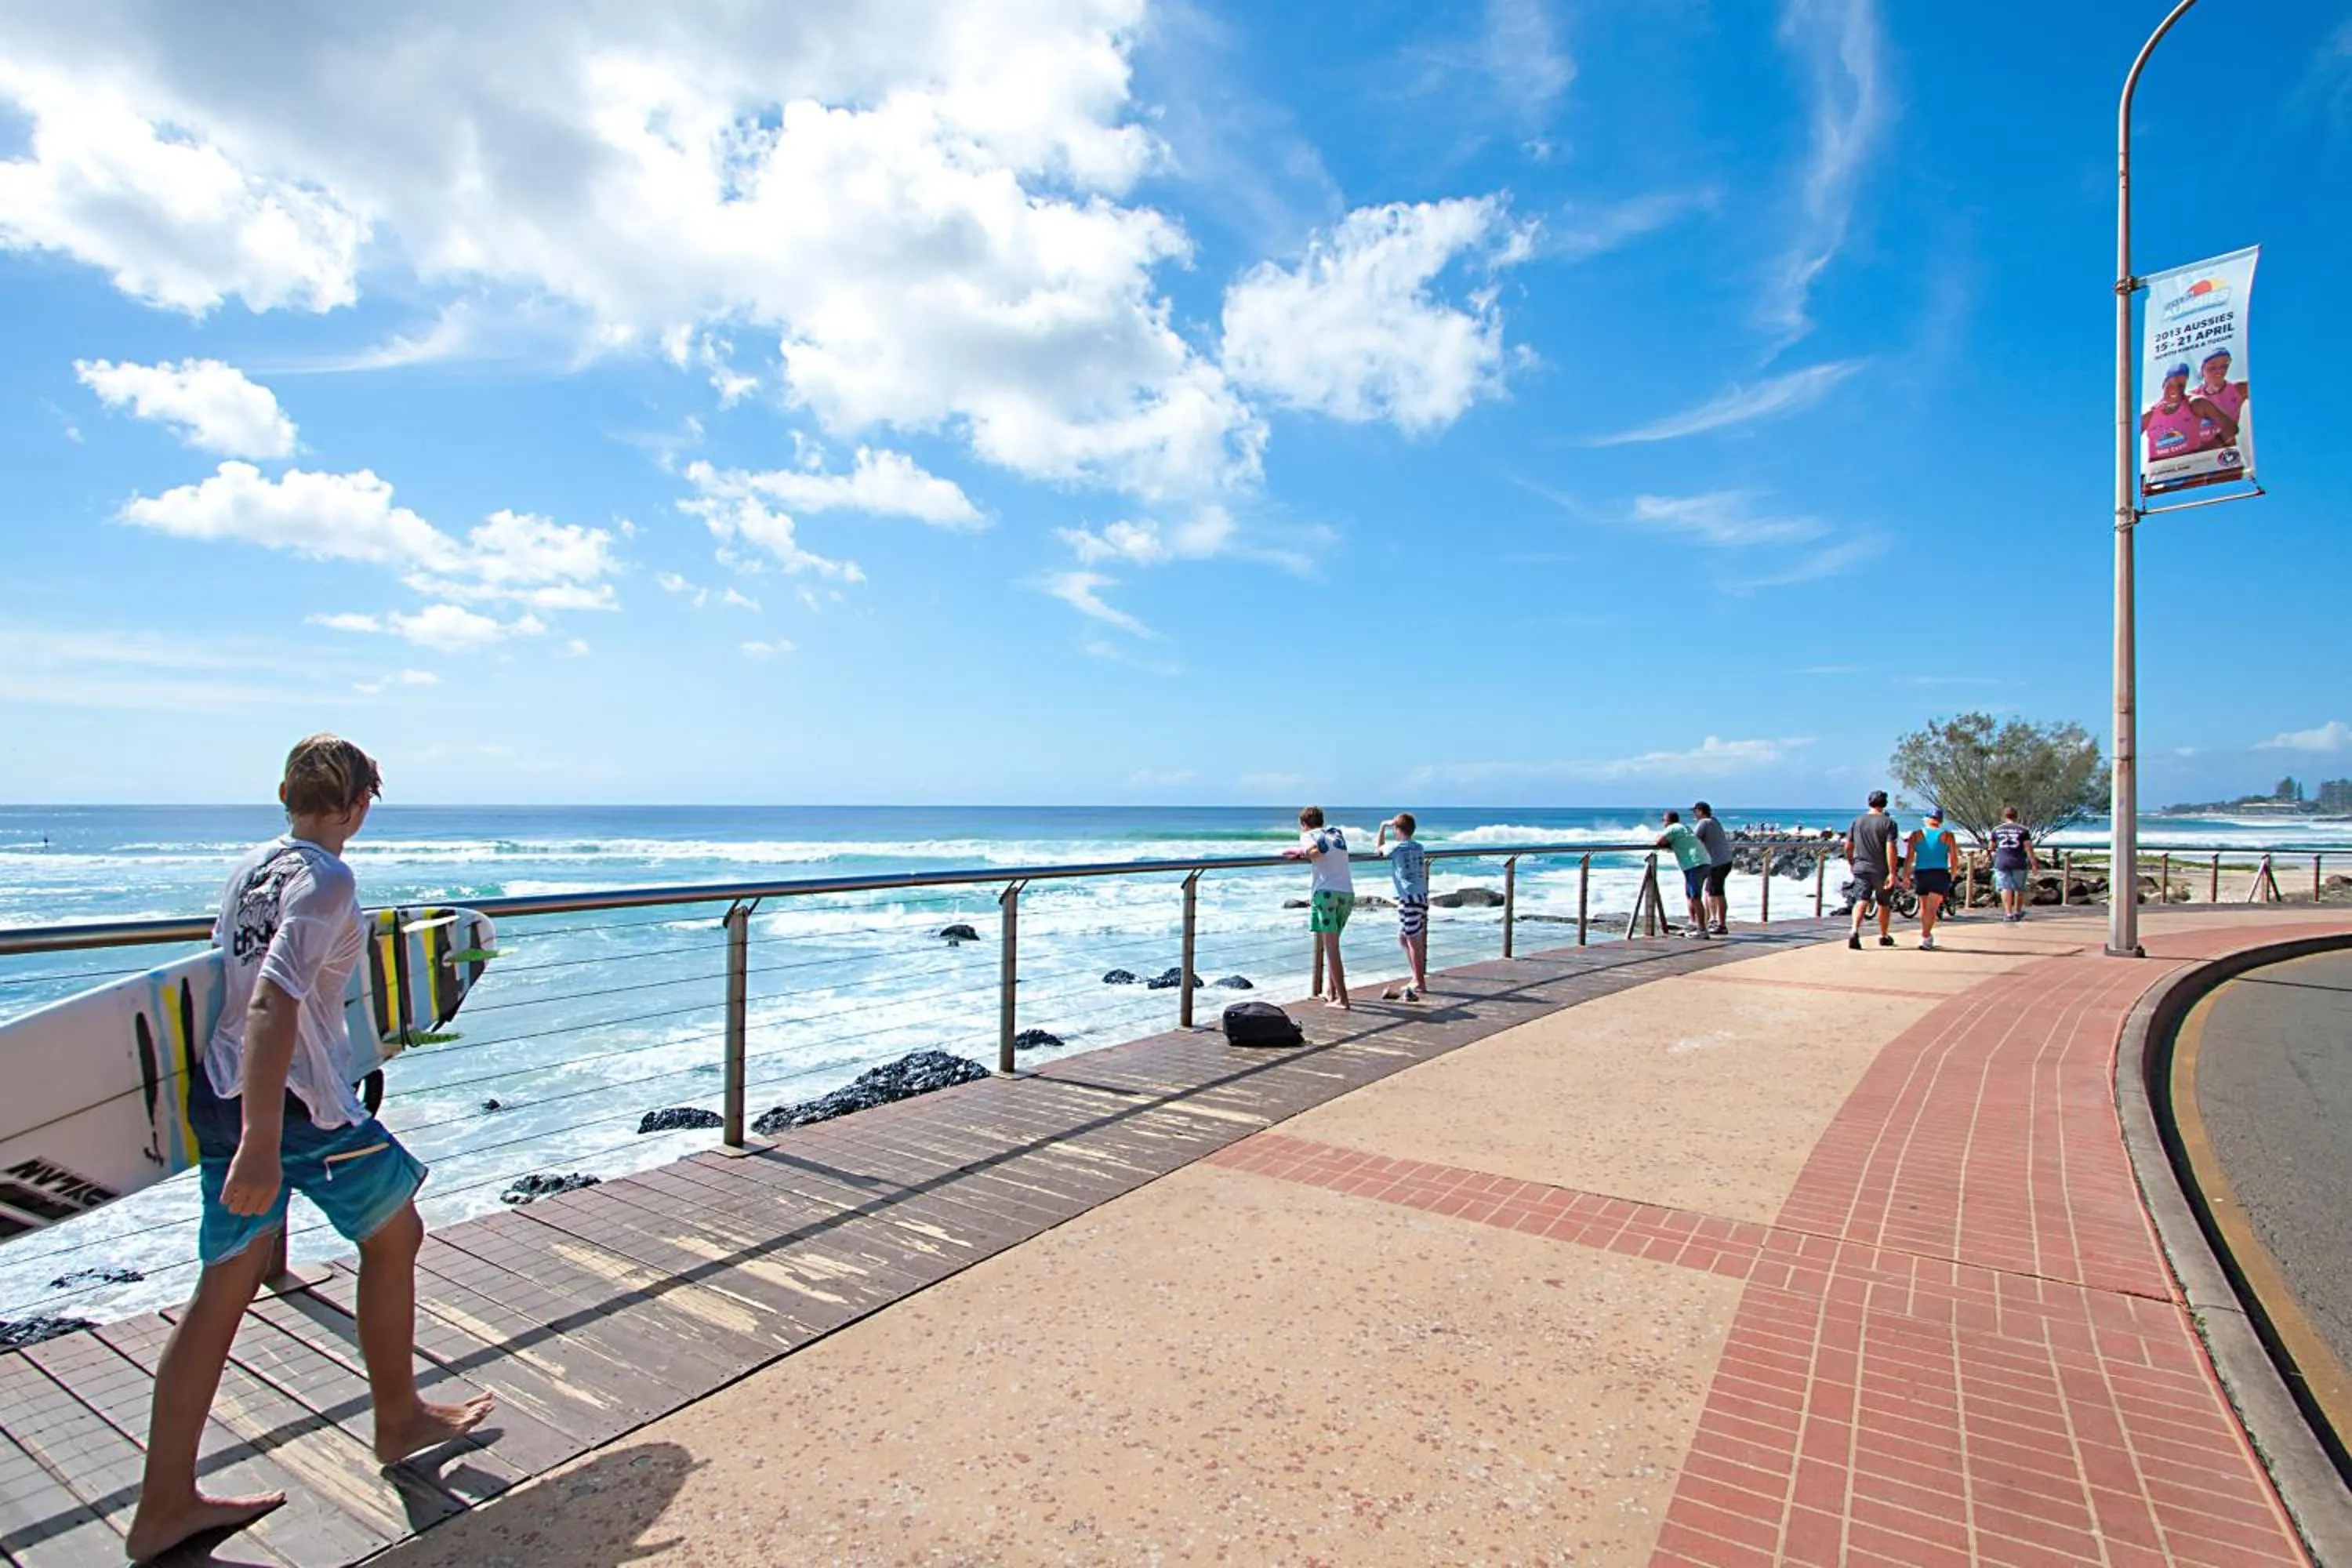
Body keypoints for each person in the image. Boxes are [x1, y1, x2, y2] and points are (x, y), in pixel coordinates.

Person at [127, 736, 492, 1563]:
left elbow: (233, 972)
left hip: (225, 1093)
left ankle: (162, 1504)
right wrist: (263, 1141)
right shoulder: (329, 878)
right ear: (359, 802)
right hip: (296, 1109)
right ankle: (397, 1417)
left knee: (223, 1287)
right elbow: (271, 1000)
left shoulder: (255, 866)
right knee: (395, 1230)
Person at [1283, 805, 1353, 1009]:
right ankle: (1332, 994)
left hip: (1326, 893)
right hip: (1346, 893)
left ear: (1303, 824)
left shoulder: (1308, 836)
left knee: (1331, 949)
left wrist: (1300, 853)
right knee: (1333, 945)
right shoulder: (1335, 834)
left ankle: (1343, 999)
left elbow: (1313, 852)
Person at [1374, 813, 1430, 1002]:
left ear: (1397, 830)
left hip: (1408, 897)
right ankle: (1416, 976)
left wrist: (1383, 826)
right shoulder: (1419, 847)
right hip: (1421, 895)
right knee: (1403, 936)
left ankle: (1420, 982)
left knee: (1413, 939)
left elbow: (1378, 849)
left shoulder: (1395, 847)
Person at [2141, 363, 2230, 465]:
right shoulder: (2150, 415)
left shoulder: (2196, 403)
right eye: (2171, 385)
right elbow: (2123, 441)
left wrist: (2208, 454)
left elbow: (2230, 428)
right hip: (2160, 476)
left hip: (2193, 474)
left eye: (2180, 386)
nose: (2175, 390)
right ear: (2163, 384)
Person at [1846, 790, 1900, 950]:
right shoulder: (1889, 823)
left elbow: (1848, 846)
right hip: (1881, 869)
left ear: (1869, 802)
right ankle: (1883, 935)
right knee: (1883, 903)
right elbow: (1891, 848)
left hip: (1861, 867)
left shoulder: (1857, 821)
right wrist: (1892, 872)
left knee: (1861, 900)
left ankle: (1854, 930)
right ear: (1885, 804)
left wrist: (1851, 863)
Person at [1904, 808, 1958, 951]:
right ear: (1940, 820)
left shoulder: (1916, 835)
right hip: (1939, 873)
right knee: (1932, 908)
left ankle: (1925, 936)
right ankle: (1925, 936)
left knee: (1924, 907)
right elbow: (1953, 857)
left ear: (1927, 818)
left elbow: (1909, 857)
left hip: (1922, 873)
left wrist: (1906, 875)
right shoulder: (1948, 835)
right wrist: (1953, 873)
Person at [1655, 809, 1713, 939]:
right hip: (1702, 862)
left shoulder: (1673, 828)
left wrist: (1663, 842)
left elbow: (1659, 841)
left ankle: (1702, 930)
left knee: (1695, 897)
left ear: (1668, 821)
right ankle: (1693, 924)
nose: (1663, 823)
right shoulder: (1684, 828)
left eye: (1663, 820)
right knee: (1690, 895)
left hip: (1695, 864)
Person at [1691, 801, 1735, 936]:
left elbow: (1693, 840)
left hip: (1717, 863)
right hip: (1725, 861)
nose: (1694, 815)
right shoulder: (1714, 821)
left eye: (1695, 812)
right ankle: (1713, 920)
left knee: (1716, 893)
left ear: (1700, 811)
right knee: (1710, 891)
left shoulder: (1704, 823)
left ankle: (1719, 923)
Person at [2192, 347, 2249, 452]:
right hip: (2200, 455)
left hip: (2228, 453)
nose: (2219, 372)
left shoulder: (2238, 389)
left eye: (2223, 367)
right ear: (2202, 370)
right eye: (2212, 368)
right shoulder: (2192, 397)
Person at [1990, 805, 2038, 922]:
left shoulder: (1996, 830)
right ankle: (2017, 911)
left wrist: (1992, 854)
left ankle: (2008, 913)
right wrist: (2034, 863)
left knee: (2005, 887)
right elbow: (2028, 848)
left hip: (2002, 861)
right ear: (2016, 816)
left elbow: (1991, 846)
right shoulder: (2023, 830)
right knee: (2019, 888)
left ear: (2004, 816)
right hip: (2018, 861)